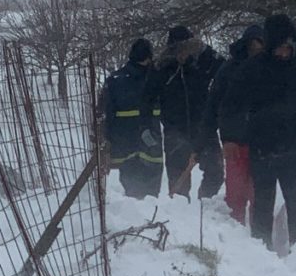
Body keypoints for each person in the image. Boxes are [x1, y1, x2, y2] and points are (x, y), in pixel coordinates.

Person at [222, 14, 296, 250]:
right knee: (262, 204)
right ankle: (261, 251)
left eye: (288, 48)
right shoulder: (252, 69)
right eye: (279, 49)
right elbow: (231, 105)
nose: (284, 53)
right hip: (263, 148)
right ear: (270, 46)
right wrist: (230, 138)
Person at [141, 26, 225, 198]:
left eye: (187, 48)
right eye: (178, 49)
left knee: (215, 172)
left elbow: (224, 68)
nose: (183, 53)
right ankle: (182, 218)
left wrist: (204, 49)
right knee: (178, 183)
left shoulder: (201, 63)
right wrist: (148, 126)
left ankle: (205, 205)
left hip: (204, 129)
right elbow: (147, 99)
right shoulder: (162, 69)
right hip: (175, 131)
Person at [195, 24, 265, 225]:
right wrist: (203, 141)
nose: (256, 51)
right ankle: (238, 232)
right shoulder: (229, 70)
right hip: (234, 141)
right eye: (253, 46)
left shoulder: (269, 68)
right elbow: (213, 106)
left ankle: (260, 233)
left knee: (259, 192)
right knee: (236, 191)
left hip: (264, 141)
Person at [102, 38, 163, 198]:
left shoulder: (115, 79)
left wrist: (107, 140)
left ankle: (135, 214)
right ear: (148, 57)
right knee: (151, 191)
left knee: (132, 189)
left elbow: (105, 112)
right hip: (151, 139)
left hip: (125, 142)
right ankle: (150, 215)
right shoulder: (156, 78)